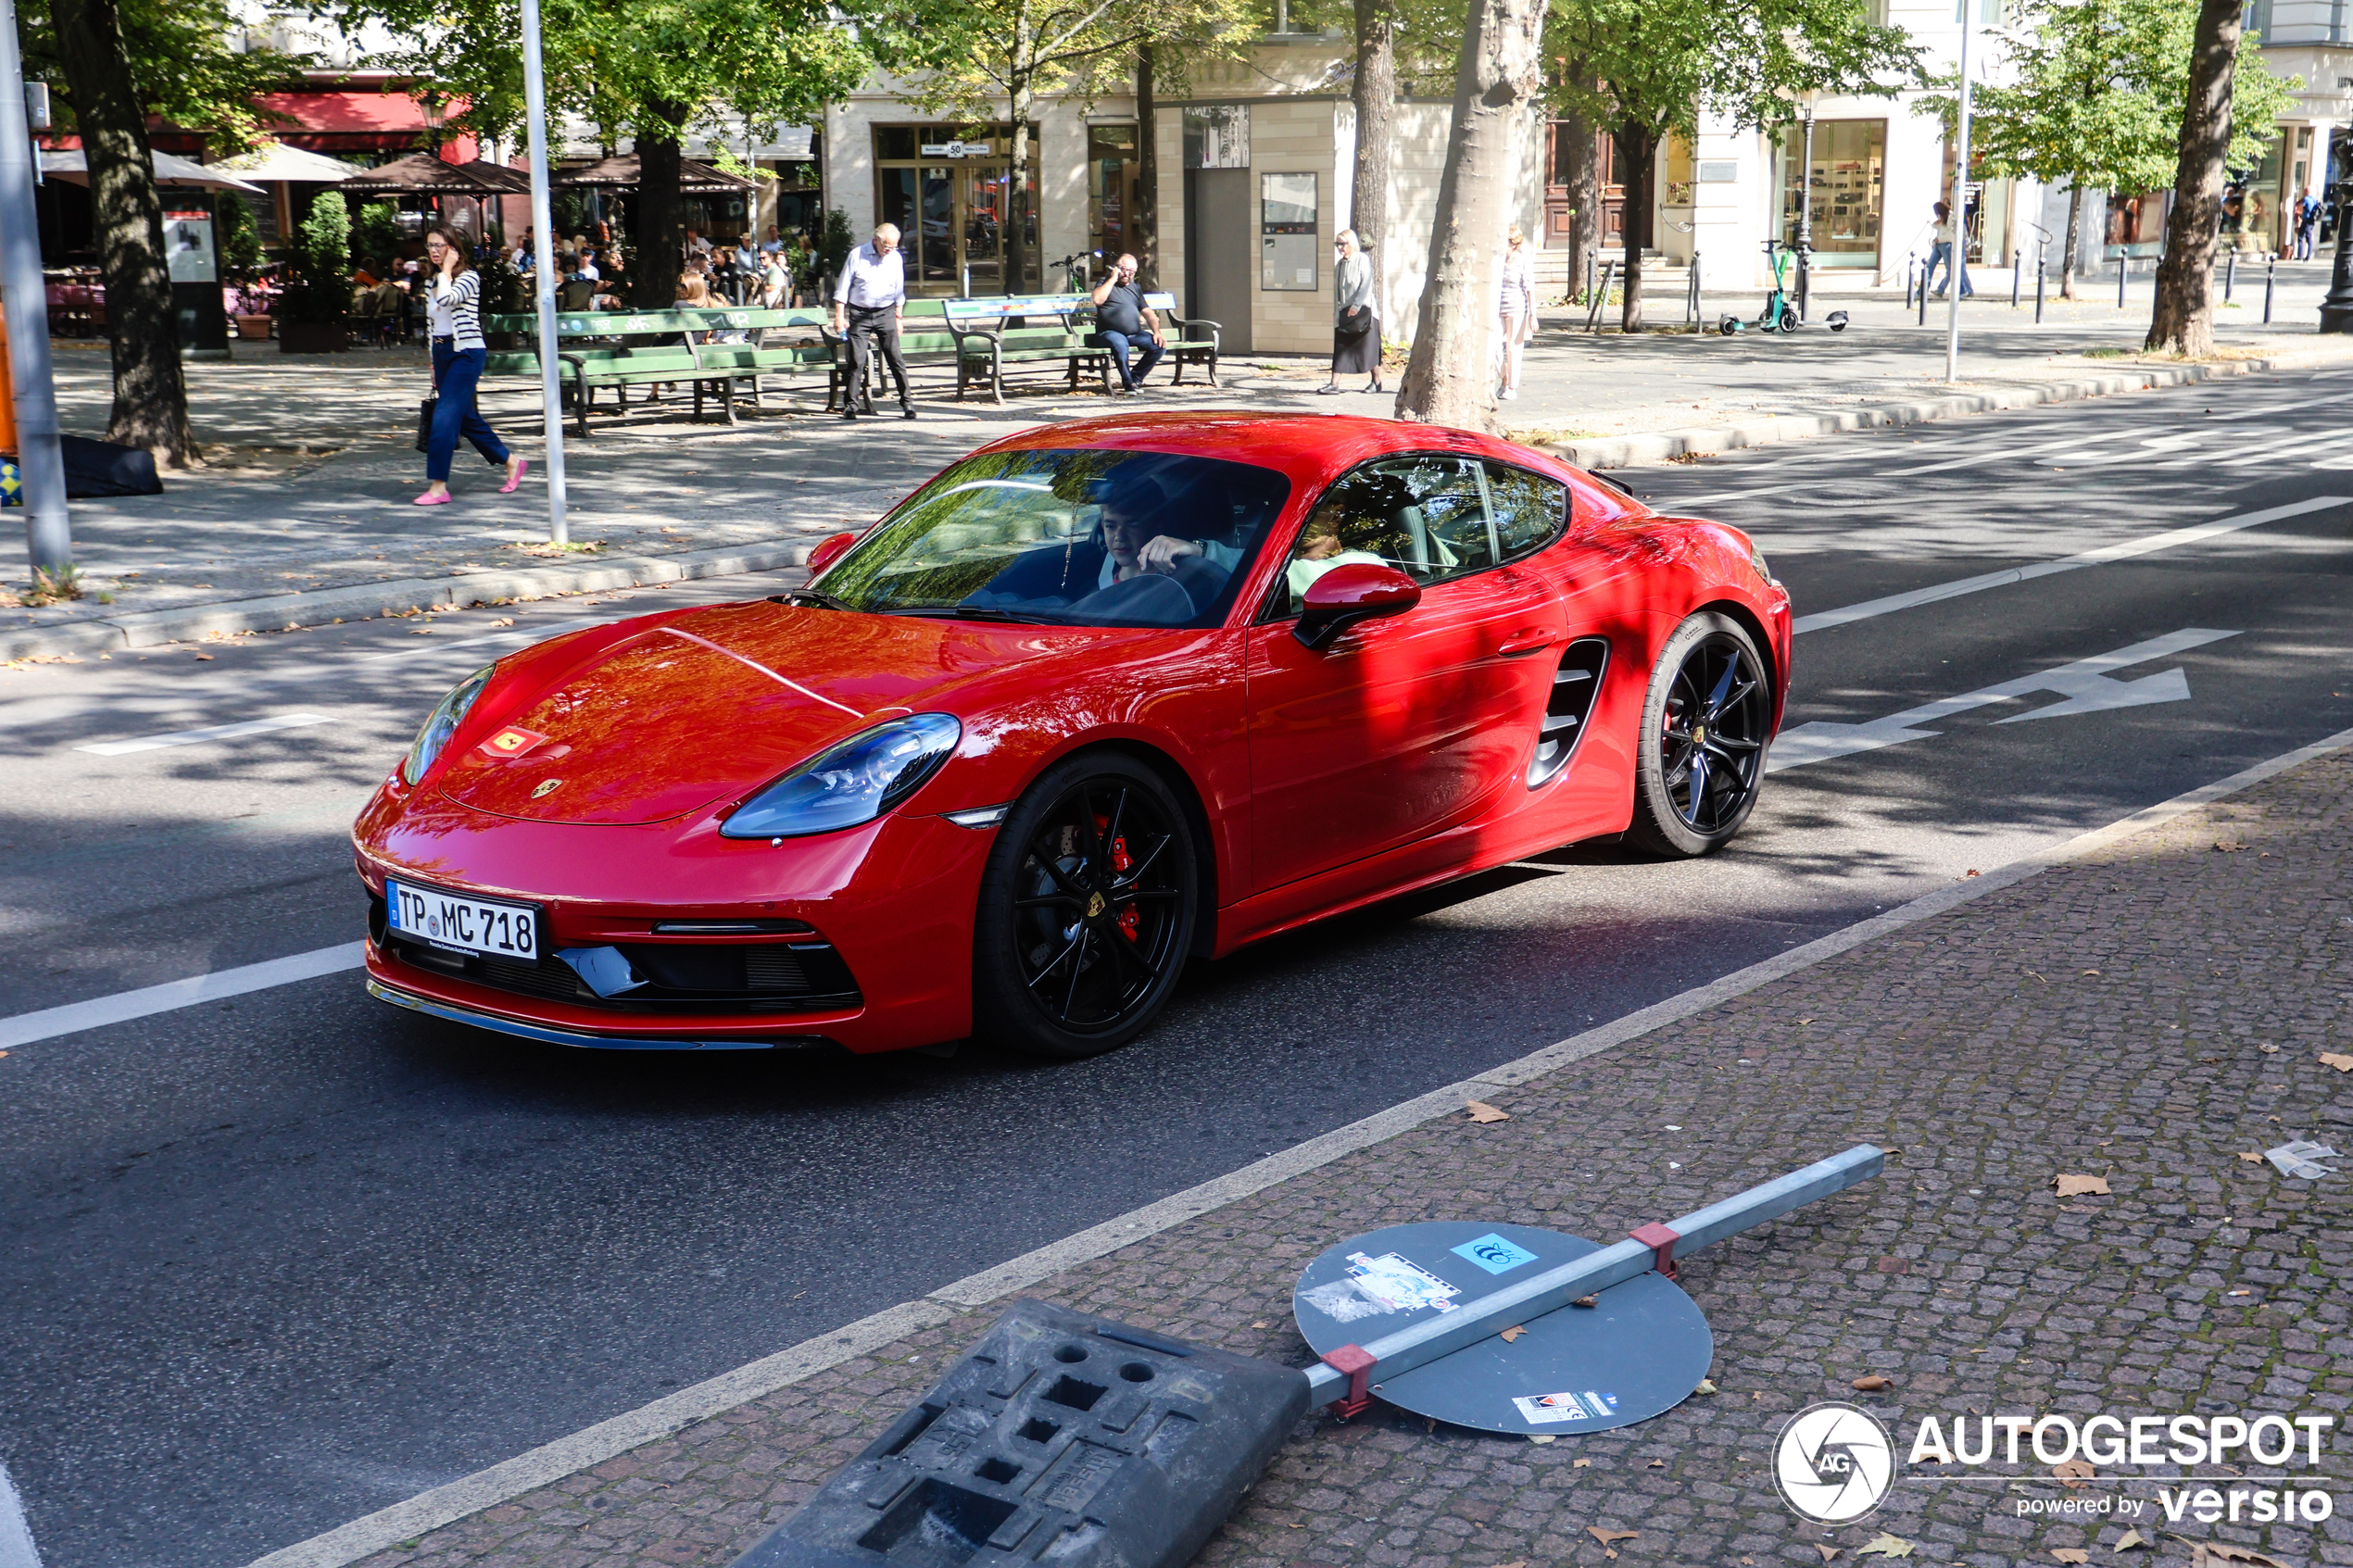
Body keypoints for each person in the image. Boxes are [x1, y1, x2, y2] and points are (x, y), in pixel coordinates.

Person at [415, 225, 527, 506]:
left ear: (453, 247)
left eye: (439, 245)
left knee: (444, 416)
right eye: (430, 246)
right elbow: (433, 322)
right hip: (442, 353)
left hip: (466, 353)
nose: (434, 251)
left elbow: (447, 299)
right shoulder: (432, 280)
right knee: (465, 418)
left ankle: (439, 487)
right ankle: (511, 461)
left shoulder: (468, 277)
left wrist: (446, 271)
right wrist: (432, 359)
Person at [833, 221, 914, 420]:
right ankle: (851, 405)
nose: (890, 250)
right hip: (860, 313)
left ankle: (907, 403)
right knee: (856, 361)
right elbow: (843, 287)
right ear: (876, 240)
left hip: (885, 313)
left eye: (894, 246)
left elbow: (899, 290)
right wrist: (839, 316)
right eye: (887, 246)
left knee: (896, 359)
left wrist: (898, 316)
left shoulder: (895, 258)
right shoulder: (857, 254)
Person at [1088, 252, 1165, 394]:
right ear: (1116, 268)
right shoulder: (1104, 283)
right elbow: (1097, 300)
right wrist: (1112, 278)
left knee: (1159, 346)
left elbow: (1148, 312)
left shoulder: (1135, 288)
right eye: (1124, 269)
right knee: (1120, 344)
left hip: (1133, 334)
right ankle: (1127, 383)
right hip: (1107, 334)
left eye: (1131, 271)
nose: (1127, 274)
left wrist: (1157, 332)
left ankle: (1136, 378)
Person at [1322, 228, 1379, 395]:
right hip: (1345, 314)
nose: (1340, 248)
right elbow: (1337, 293)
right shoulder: (1339, 265)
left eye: (1343, 244)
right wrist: (1336, 315)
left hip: (1364, 313)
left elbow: (1365, 284)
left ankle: (1376, 381)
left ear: (1351, 243)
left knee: (1367, 349)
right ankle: (1334, 384)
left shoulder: (1362, 259)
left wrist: (1356, 305)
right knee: (1341, 348)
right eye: (1337, 244)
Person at [1496, 224, 1534, 400]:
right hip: (1497, 307)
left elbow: (1529, 287)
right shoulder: (1497, 260)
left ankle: (1512, 387)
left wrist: (1533, 313)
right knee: (1493, 346)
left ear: (1514, 243)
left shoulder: (1522, 260)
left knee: (1512, 347)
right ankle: (1504, 377)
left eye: (1507, 241)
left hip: (1517, 307)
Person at [1928, 201, 1972, 298]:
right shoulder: (1945, 218)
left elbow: (1952, 235)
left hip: (1947, 245)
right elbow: (1944, 230)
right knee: (1950, 270)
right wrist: (1933, 224)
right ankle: (1939, 289)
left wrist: (1939, 239)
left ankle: (1963, 290)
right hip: (1940, 245)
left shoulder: (1952, 218)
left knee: (1954, 270)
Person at [2296, 188, 2321, 260]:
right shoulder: (2314, 199)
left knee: (2301, 237)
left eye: (2304, 191)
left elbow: (2299, 207)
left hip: (2306, 220)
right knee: (2309, 239)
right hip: (2312, 221)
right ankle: (2308, 256)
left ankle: (2300, 256)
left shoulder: (2306, 199)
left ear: (2307, 192)